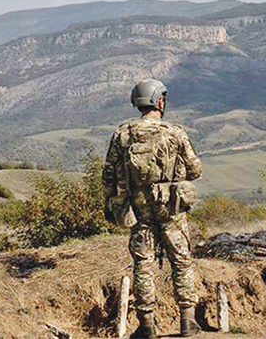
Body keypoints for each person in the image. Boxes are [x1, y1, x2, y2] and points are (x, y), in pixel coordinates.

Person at [102, 79, 203, 338]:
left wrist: (110, 207)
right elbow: (195, 170)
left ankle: (146, 325)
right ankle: (187, 322)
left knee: (143, 265)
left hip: (137, 211)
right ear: (160, 101)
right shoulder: (175, 131)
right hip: (171, 209)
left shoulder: (122, 134)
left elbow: (109, 176)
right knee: (181, 261)